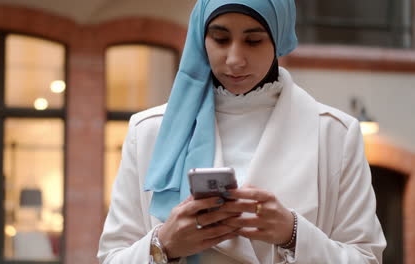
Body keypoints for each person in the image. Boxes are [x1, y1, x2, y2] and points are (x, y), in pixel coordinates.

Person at [97, 0, 386, 263]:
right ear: (201, 39)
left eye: (253, 40)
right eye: (220, 39)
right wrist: (164, 245)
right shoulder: (148, 131)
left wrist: (293, 234)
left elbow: (365, 257)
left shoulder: (335, 134)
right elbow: (112, 256)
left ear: (279, 38)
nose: (235, 59)